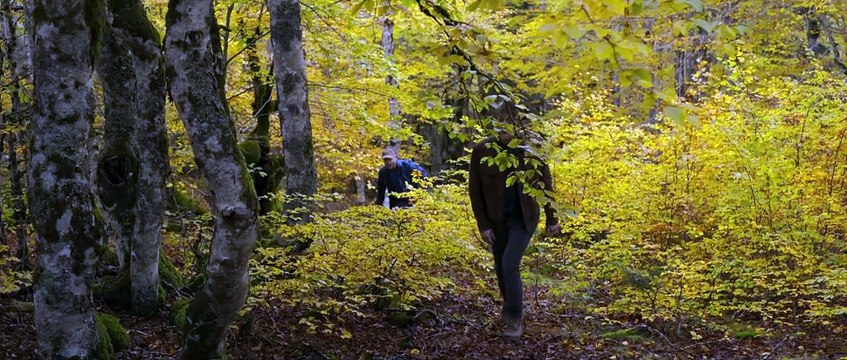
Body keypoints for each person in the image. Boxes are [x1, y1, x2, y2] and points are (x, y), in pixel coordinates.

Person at [468, 128, 560, 339]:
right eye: (504, 124)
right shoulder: (483, 150)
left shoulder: (531, 148)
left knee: (510, 264)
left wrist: (552, 217)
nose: (509, 129)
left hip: (524, 217)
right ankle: (507, 307)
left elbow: (546, 184)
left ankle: (514, 318)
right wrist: (483, 225)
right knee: (501, 268)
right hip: (496, 220)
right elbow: (475, 189)